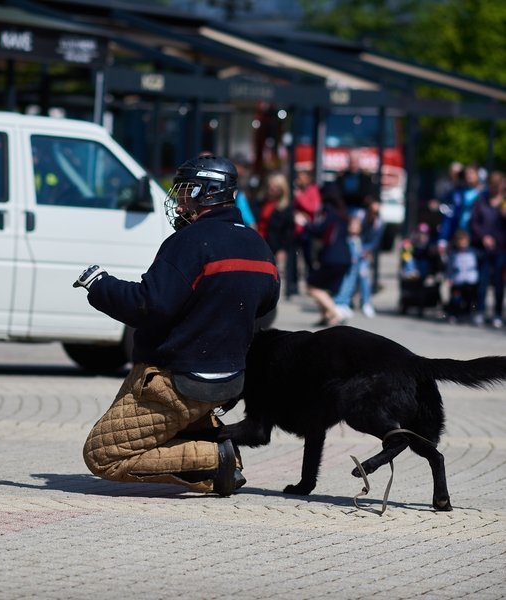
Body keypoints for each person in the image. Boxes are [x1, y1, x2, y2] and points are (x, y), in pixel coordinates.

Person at [75, 155, 280, 496]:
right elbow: (267, 302)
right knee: (156, 429)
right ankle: (218, 467)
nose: (179, 201)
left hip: (177, 381)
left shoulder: (189, 242)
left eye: (185, 191)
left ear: (208, 192)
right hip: (228, 381)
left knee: (103, 454)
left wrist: (100, 285)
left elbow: (149, 305)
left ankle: (215, 457)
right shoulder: (257, 244)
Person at [298, 185, 352, 327]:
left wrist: (304, 224)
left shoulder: (328, 211)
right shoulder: (342, 213)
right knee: (322, 287)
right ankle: (326, 317)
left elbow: (320, 230)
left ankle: (336, 314)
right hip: (344, 257)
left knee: (311, 286)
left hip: (332, 257)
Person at [469, 170, 506, 328]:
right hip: (483, 247)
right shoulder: (481, 201)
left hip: (502, 247)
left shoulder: (504, 202)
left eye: (499, 186)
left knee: (499, 282)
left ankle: (498, 313)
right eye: (493, 186)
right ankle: (480, 311)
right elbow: (474, 222)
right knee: (482, 281)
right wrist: (483, 237)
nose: (496, 189)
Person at [256, 172, 296, 297]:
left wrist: (283, 249)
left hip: (274, 245)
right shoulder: (261, 202)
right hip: (259, 241)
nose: (271, 190)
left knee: (274, 273)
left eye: (275, 187)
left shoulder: (285, 208)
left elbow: (289, 231)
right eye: (270, 186)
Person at [443, 229, 479, 323]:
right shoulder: (453, 253)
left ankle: (466, 315)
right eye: (460, 241)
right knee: (456, 299)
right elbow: (449, 267)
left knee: (469, 299)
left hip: (470, 280)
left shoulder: (473, 252)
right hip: (457, 280)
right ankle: (453, 314)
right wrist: (449, 277)